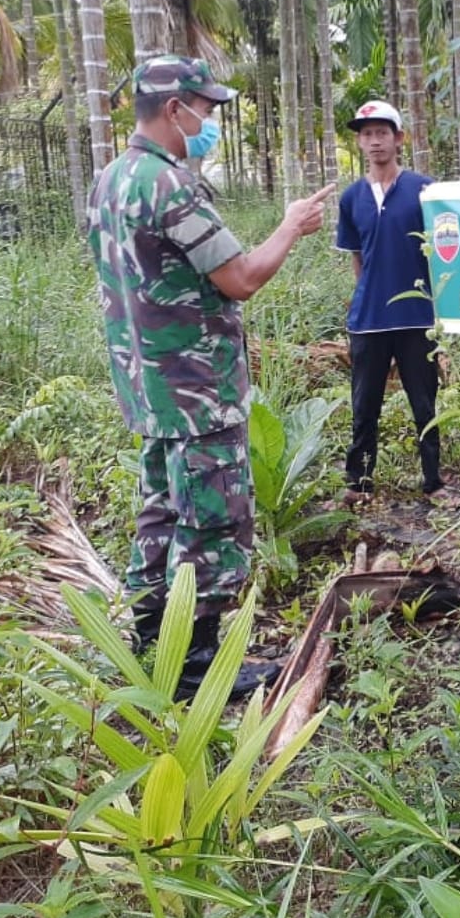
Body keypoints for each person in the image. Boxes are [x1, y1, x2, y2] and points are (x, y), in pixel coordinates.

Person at [88, 54, 332, 700]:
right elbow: (241, 278)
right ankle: (196, 675)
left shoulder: (110, 178)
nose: (211, 122)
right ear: (176, 108)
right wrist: (289, 226)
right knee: (210, 522)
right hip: (196, 388)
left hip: (148, 390)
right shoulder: (167, 186)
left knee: (161, 514)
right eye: (209, 109)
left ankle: (150, 651)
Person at [335, 99, 446, 505]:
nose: (375, 141)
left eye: (383, 133)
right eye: (367, 134)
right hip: (368, 320)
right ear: (360, 143)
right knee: (364, 404)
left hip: (417, 316)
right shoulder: (351, 199)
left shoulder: (425, 190)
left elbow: (442, 248)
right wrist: (368, 296)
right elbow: (357, 256)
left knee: (425, 402)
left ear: (399, 139)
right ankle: (359, 481)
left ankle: (434, 481)